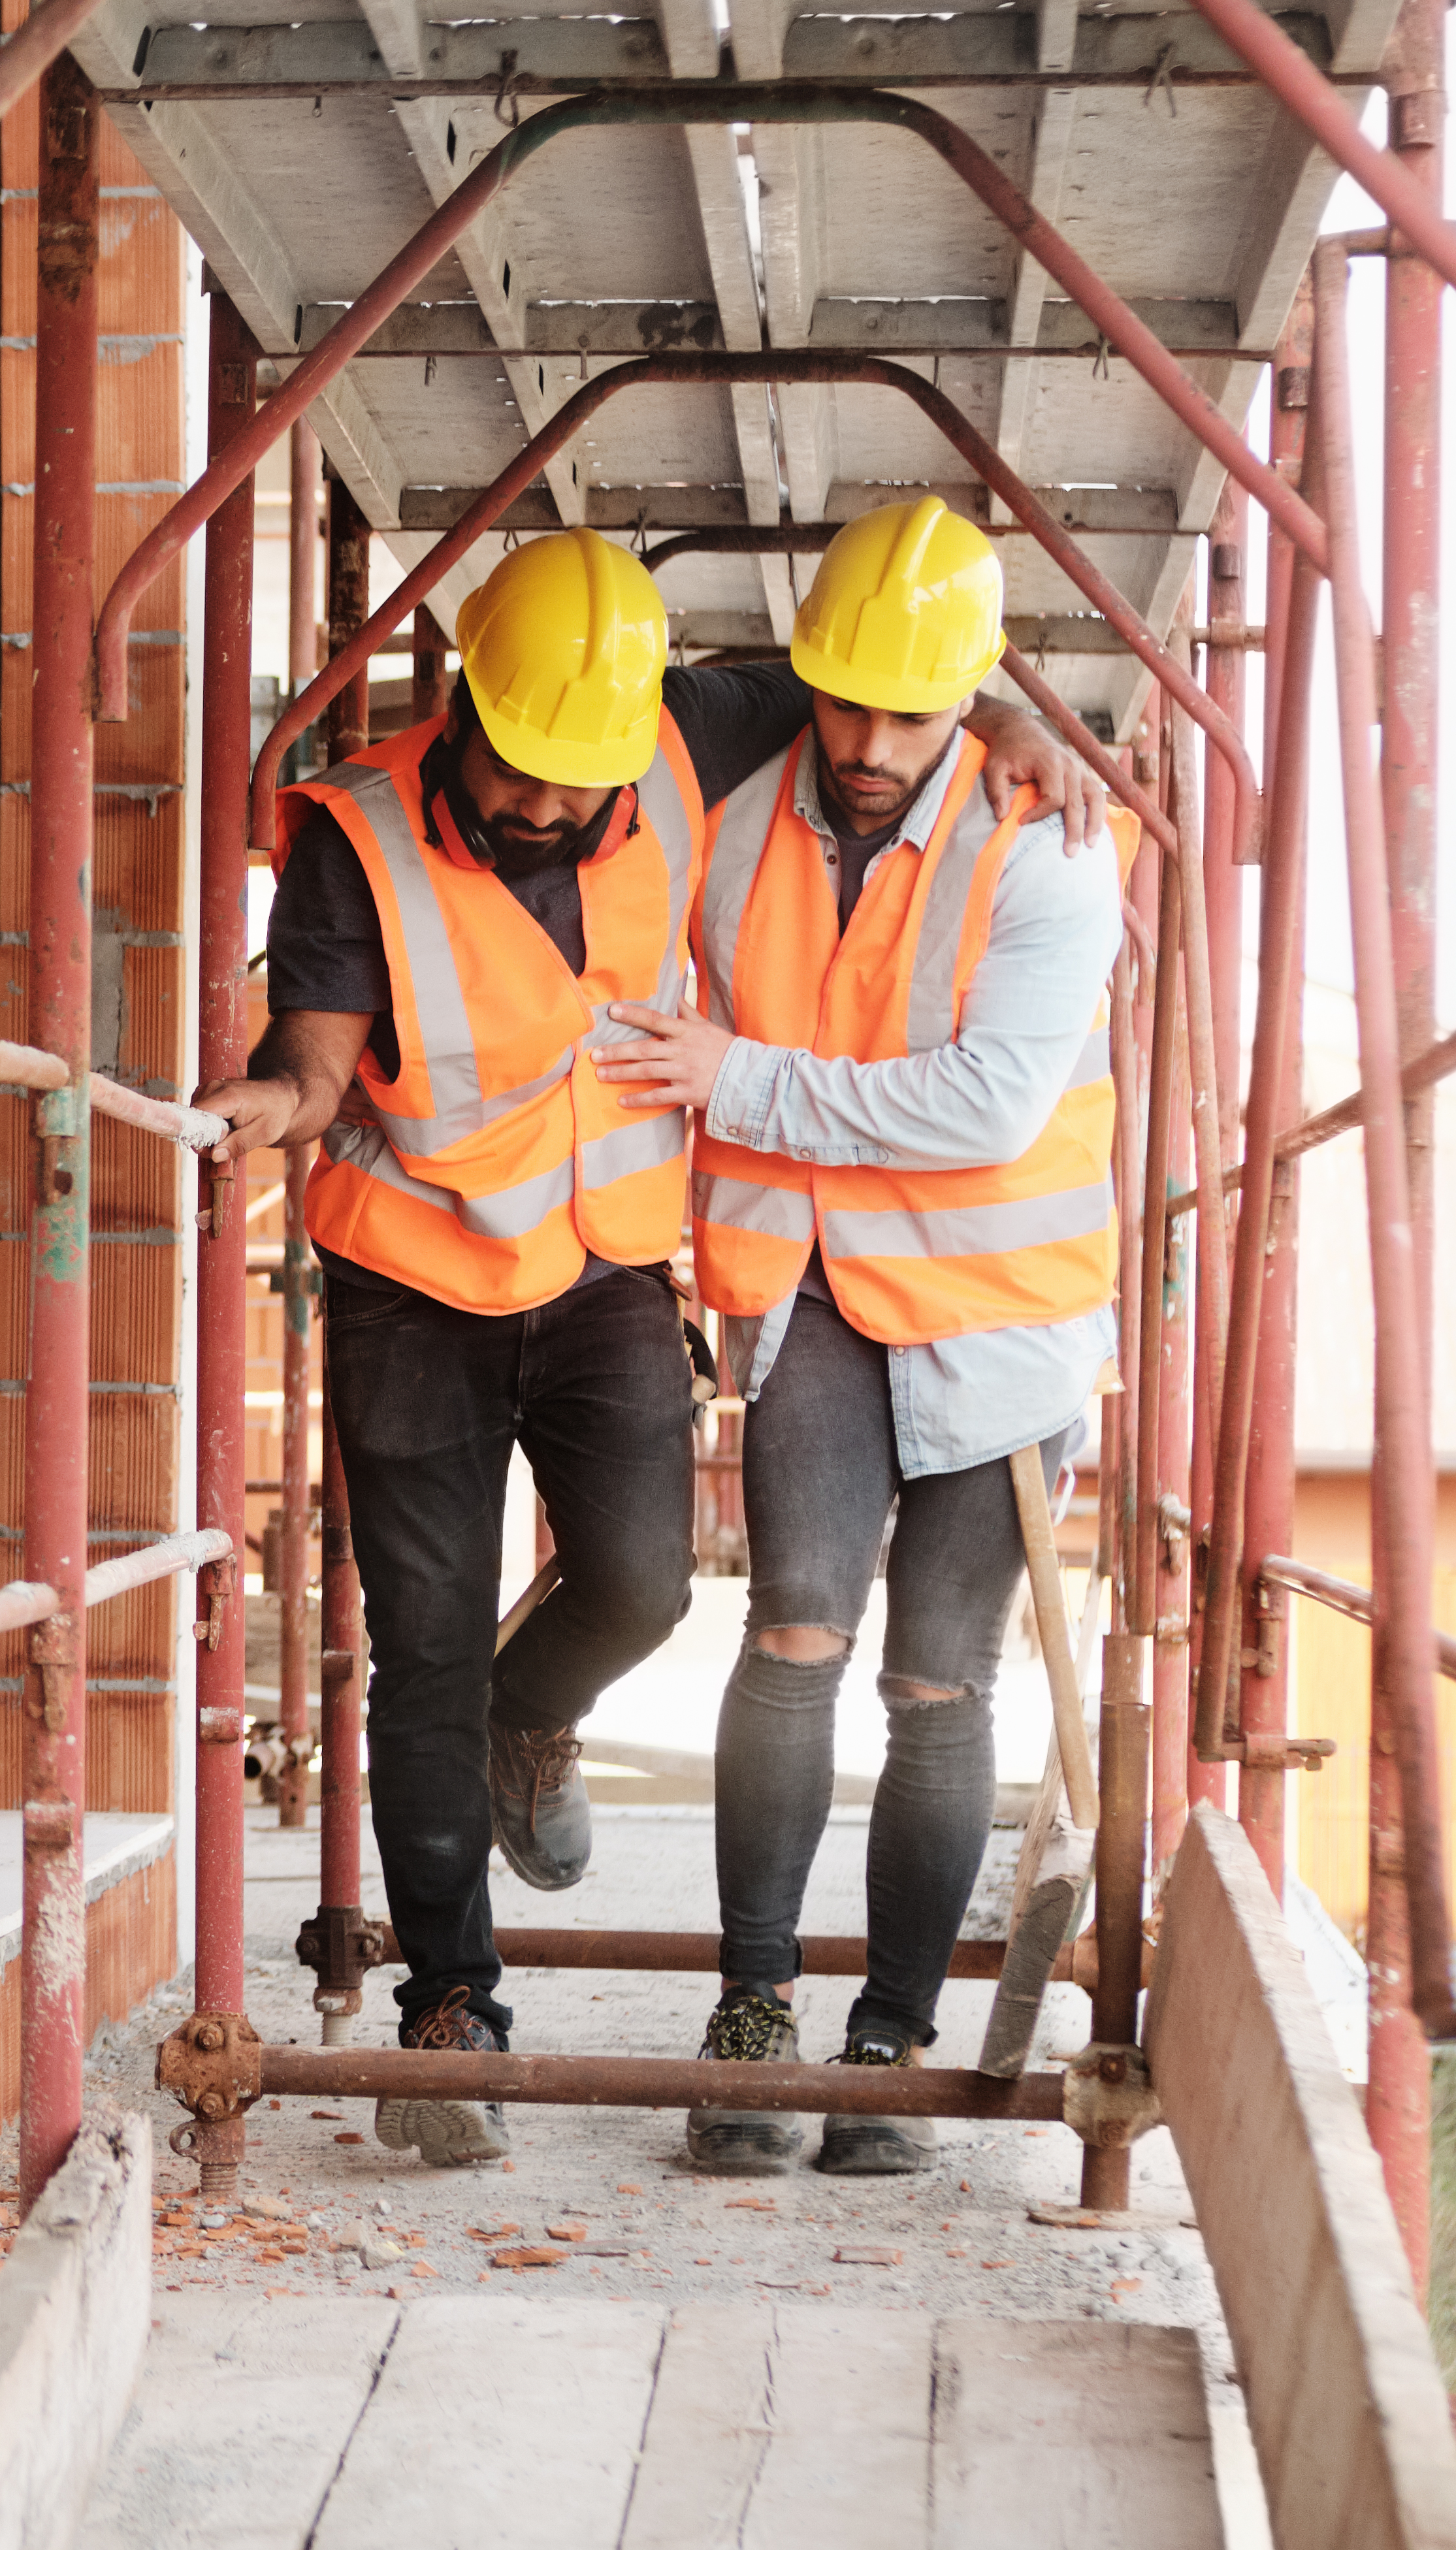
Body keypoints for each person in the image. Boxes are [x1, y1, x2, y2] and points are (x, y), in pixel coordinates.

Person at [196, 526, 1099, 2167]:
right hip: (414, 1275)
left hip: (611, 1264)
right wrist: (282, 1097)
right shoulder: (359, 831)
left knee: (647, 1585)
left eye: (583, 779)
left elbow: (904, 689)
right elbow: (320, 1045)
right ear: (467, 701)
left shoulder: (684, 728)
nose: (555, 806)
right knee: (424, 1651)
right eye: (525, 772)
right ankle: (449, 2015)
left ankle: (532, 1724)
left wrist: (1024, 720)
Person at [590, 499, 1129, 2177]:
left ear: (973, 694)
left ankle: (889, 2039)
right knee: (797, 1638)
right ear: (803, 677)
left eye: (914, 711)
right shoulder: (736, 805)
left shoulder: (1044, 842)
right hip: (815, 1284)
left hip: (1002, 1322)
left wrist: (736, 1081)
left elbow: (987, 1102)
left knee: (937, 1680)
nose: (874, 743)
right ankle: (754, 2013)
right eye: (848, 704)